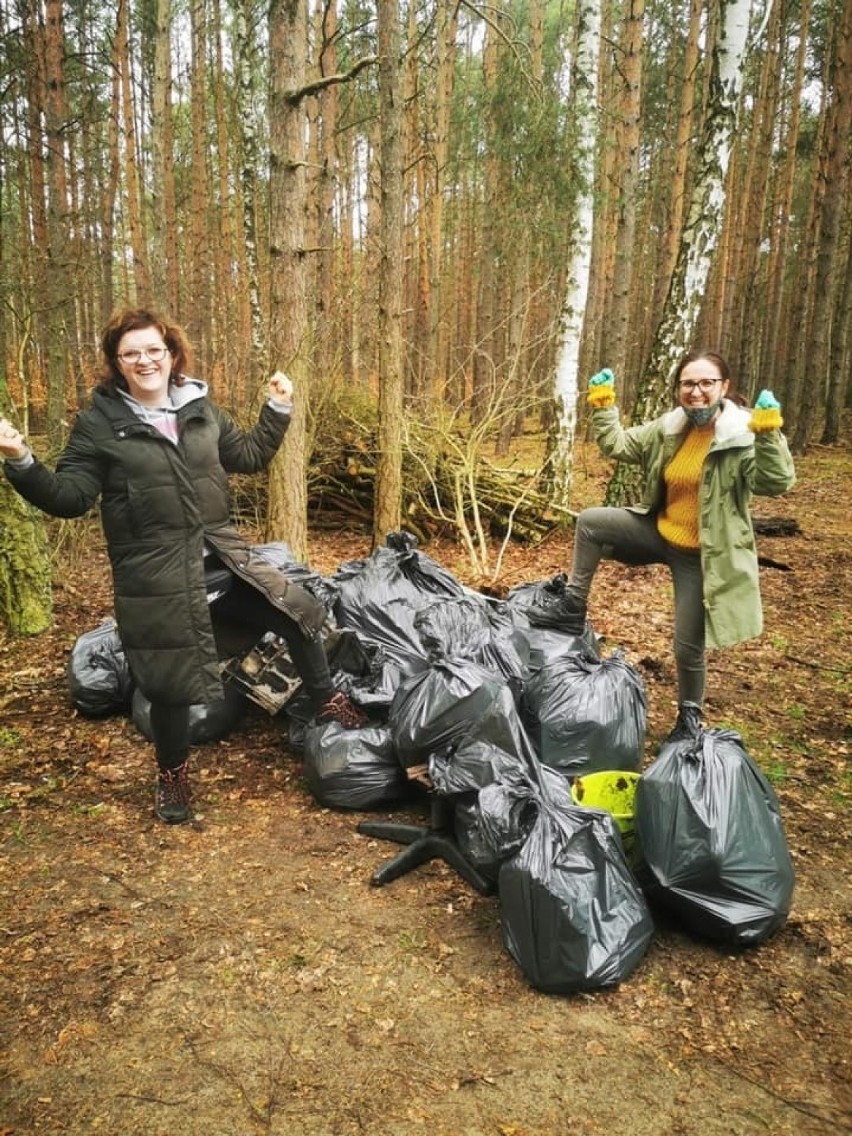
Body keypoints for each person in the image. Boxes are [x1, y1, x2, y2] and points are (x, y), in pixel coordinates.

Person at [0, 307, 366, 825]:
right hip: (157, 578)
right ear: (117, 363)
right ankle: (172, 773)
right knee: (170, 684)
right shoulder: (100, 425)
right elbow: (69, 497)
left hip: (223, 558)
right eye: (131, 353)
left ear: (171, 354)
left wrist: (277, 409)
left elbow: (247, 455)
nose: (144, 360)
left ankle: (327, 700)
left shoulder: (200, 408)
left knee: (299, 612)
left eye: (153, 350)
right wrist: (20, 459)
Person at [558, 350, 796, 738]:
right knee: (590, 522)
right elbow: (618, 445)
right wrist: (604, 405)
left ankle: (688, 718)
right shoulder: (672, 427)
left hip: (702, 556)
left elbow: (777, 482)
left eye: (706, 383)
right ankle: (571, 606)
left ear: (724, 387)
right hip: (660, 533)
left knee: (687, 646)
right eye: (688, 383)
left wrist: (768, 436)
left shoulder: (740, 436)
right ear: (678, 389)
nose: (696, 392)